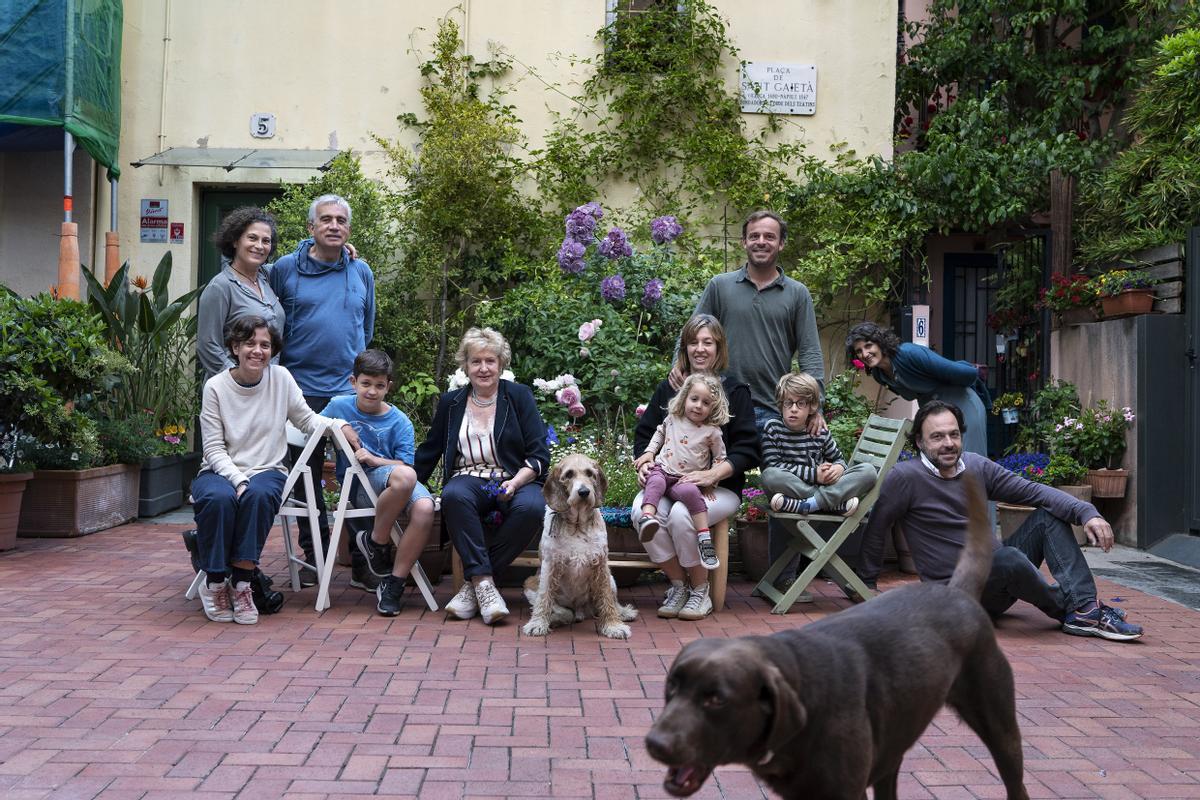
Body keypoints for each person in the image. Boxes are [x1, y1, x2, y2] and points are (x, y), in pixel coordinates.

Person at [857, 400, 1144, 642]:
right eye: (937, 437)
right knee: (1009, 559)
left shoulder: (977, 466)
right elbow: (877, 525)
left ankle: (1084, 608)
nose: (948, 443)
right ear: (919, 441)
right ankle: (1077, 609)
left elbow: (1035, 491)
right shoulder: (905, 478)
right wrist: (865, 583)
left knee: (1047, 518)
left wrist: (1087, 512)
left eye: (954, 435)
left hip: (994, 578)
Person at [686, 210, 826, 594]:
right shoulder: (720, 286)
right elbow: (694, 335)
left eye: (769, 236)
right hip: (717, 409)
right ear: (744, 241)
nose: (761, 242)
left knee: (786, 484)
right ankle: (700, 576)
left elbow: (811, 355)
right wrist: (678, 374)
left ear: (781, 244)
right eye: (754, 236)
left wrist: (816, 407)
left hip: (773, 412)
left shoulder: (796, 294)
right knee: (703, 484)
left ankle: (785, 576)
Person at [191, 315, 349, 625]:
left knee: (259, 496)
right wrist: (237, 479)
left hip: (267, 469)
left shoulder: (281, 378)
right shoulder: (215, 387)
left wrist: (338, 424)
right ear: (235, 347)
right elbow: (212, 448)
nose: (257, 351)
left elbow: (307, 420)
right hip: (220, 469)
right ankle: (215, 583)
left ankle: (242, 585)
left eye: (265, 345)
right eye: (249, 343)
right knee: (218, 499)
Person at [269, 194, 376, 590]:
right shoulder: (284, 269)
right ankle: (315, 555)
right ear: (311, 227)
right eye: (326, 219)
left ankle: (365, 561)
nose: (334, 226)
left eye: (341, 220)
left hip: (348, 394)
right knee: (306, 481)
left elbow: (366, 329)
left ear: (349, 228)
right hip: (301, 393)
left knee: (359, 477)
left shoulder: (361, 271)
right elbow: (269, 319)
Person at [414, 328, 549, 625]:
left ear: (501, 364)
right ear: (466, 366)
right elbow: (429, 450)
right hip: (471, 479)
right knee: (453, 494)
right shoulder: (451, 403)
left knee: (532, 507)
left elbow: (539, 454)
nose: (484, 368)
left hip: (514, 478)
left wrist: (514, 483)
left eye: (490, 361)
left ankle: (473, 586)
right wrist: (407, 485)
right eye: (476, 361)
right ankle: (485, 585)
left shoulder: (519, 396)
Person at [632, 314, 760, 621]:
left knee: (680, 515)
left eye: (708, 342)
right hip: (668, 481)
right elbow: (646, 433)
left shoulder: (735, 391)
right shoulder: (671, 388)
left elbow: (749, 450)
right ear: (685, 348)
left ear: (719, 348)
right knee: (641, 512)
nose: (700, 349)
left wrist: (714, 473)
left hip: (719, 489)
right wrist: (645, 461)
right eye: (693, 342)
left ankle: (700, 591)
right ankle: (678, 585)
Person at [323, 350, 434, 617]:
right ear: (353, 382)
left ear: (389, 386)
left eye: (379, 385)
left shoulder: (400, 422)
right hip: (360, 487)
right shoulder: (339, 406)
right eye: (366, 384)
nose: (372, 391)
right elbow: (311, 425)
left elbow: (406, 466)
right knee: (406, 478)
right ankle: (378, 544)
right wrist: (338, 424)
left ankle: (392, 581)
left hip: (392, 479)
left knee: (425, 508)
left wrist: (374, 459)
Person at [847, 321, 990, 458]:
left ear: (880, 342)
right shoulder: (879, 375)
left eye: (868, 346)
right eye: (859, 351)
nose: (865, 354)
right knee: (939, 463)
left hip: (963, 404)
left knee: (971, 461)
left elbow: (960, 372)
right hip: (935, 413)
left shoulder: (908, 353)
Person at [634, 373, 730, 570]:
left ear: (713, 407)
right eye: (694, 399)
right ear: (685, 397)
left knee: (692, 494)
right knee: (655, 481)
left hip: (685, 479)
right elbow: (659, 434)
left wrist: (711, 482)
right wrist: (649, 453)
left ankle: (704, 540)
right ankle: (647, 517)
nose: (698, 406)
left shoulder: (712, 431)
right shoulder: (673, 418)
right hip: (663, 468)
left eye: (706, 403)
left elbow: (720, 458)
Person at [762, 371, 877, 517]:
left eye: (801, 403)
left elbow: (839, 459)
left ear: (812, 406)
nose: (794, 408)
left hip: (822, 486)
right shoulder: (773, 427)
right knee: (770, 476)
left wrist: (838, 467)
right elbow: (774, 465)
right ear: (781, 404)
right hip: (796, 487)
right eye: (788, 402)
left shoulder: (818, 430)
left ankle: (809, 505)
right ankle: (832, 505)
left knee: (868, 471)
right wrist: (814, 475)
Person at [197, 207, 285, 381]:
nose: (259, 246)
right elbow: (208, 345)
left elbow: (300, 263)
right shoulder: (221, 287)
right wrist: (238, 379)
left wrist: (339, 249)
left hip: (267, 385)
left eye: (266, 241)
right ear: (235, 240)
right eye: (252, 238)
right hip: (234, 389)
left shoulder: (266, 277)